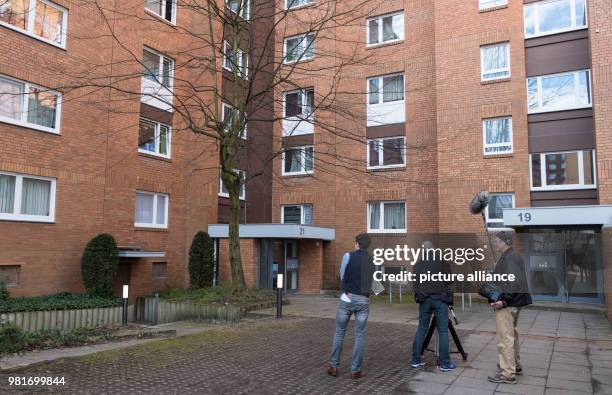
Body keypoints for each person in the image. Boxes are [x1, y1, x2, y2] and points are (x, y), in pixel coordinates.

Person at [327, 233, 375, 380]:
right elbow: (373, 283)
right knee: (359, 335)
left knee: (340, 331)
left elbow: (342, 276)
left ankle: (334, 366)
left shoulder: (347, 256)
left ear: (356, 244)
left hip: (346, 299)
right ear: (368, 245)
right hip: (363, 300)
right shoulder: (372, 261)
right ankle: (356, 370)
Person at [488, 231, 532, 384]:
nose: (495, 244)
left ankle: (508, 373)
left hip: (509, 303)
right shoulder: (510, 256)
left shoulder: (510, 257)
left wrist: (504, 301)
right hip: (514, 302)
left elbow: (513, 282)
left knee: (505, 337)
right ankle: (515, 365)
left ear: (505, 242)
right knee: (512, 334)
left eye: (497, 241)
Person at [410, 241, 457, 372]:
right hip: (440, 299)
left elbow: (415, 283)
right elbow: (449, 281)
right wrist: (449, 299)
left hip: (424, 300)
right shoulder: (442, 261)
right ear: (433, 250)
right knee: (443, 331)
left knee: (421, 329)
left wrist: (419, 297)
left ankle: (415, 360)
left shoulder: (418, 264)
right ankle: (445, 363)